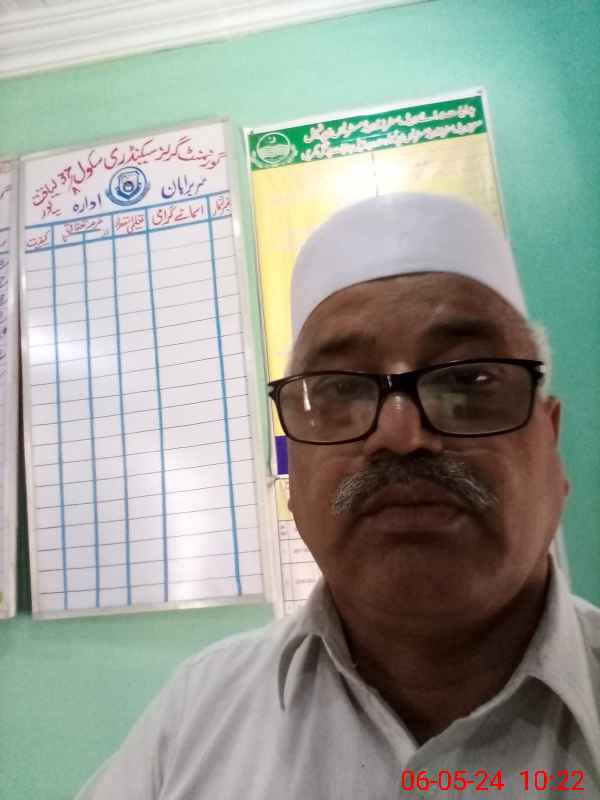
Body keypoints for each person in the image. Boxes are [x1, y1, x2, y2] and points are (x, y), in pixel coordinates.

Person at [76, 193, 600, 799]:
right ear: (293, 475)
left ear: (550, 442)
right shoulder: (195, 721)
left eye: (467, 379)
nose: (400, 433)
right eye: (339, 390)